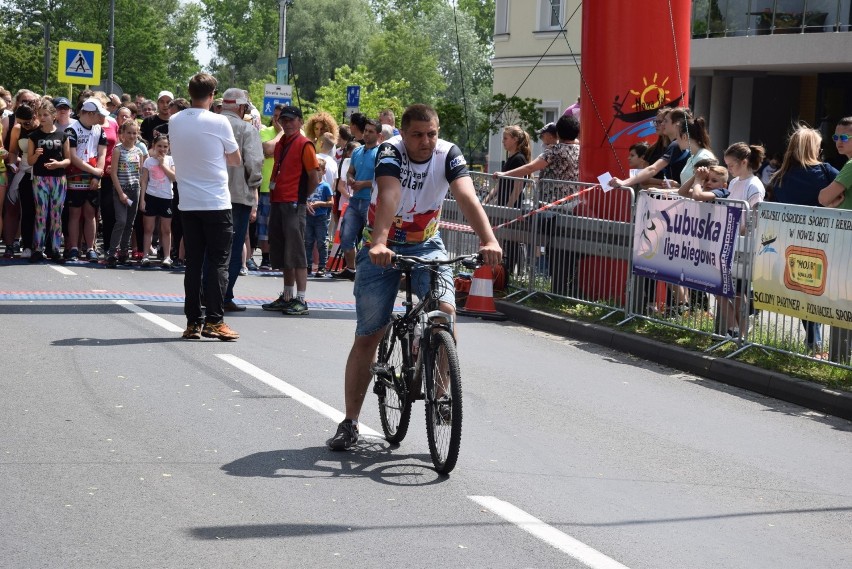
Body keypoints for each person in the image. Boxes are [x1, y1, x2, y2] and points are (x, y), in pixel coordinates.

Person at [327, 103, 502, 451]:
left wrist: (489, 239)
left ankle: (440, 395)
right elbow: (390, 194)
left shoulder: (448, 153)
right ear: (403, 134)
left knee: (444, 315)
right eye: (418, 135)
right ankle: (350, 422)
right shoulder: (390, 152)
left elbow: (466, 196)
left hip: (427, 243)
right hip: (384, 242)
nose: (426, 141)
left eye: (432, 134)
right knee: (369, 334)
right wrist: (377, 241)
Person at [168, 73, 242, 341]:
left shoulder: (174, 121)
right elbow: (235, 159)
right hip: (216, 202)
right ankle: (215, 320)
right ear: (212, 96)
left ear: (189, 93)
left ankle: (192, 323)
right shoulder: (219, 121)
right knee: (218, 262)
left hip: (187, 202)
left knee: (193, 263)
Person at [768, 126, 838, 358]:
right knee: (823, 293)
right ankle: (822, 347)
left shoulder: (780, 176)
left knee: (805, 292)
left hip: (790, 242)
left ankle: (813, 342)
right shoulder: (825, 171)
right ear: (813, 147)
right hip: (825, 241)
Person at [494, 114, 581, 296]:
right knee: (565, 250)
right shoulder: (581, 149)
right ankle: (563, 289)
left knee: (543, 244)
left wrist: (505, 174)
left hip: (549, 206)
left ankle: (544, 285)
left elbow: (530, 168)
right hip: (572, 205)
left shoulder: (553, 151)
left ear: (558, 132)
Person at [260, 105, 321, 316]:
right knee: (284, 250)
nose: (287, 123)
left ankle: (301, 300)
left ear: (300, 122)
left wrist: (303, 197)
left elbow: (314, 177)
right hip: (278, 200)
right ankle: (287, 296)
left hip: (294, 203)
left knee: (296, 253)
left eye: (291, 120)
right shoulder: (282, 143)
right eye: (284, 120)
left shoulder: (305, 144)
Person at [220, 87, 263, 312]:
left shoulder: (210, 124)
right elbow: (254, 163)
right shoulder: (247, 129)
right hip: (237, 196)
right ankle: (225, 295)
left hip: (208, 196)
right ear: (240, 106)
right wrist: (253, 184)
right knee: (233, 248)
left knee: (210, 246)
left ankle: (204, 292)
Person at [720, 142, 766, 337]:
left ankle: (743, 333)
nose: (728, 169)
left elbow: (755, 217)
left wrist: (738, 230)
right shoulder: (733, 182)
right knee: (723, 287)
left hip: (744, 244)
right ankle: (734, 329)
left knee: (739, 290)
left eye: (731, 165)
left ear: (744, 162)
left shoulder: (754, 185)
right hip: (730, 240)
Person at [482, 125, 532, 277]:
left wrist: (508, 207)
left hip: (512, 206)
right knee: (504, 238)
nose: (503, 141)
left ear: (515, 140)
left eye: (505, 138)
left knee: (512, 241)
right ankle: (503, 272)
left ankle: (509, 273)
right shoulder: (510, 158)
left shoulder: (519, 159)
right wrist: (486, 199)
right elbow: (500, 185)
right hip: (504, 205)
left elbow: (518, 184)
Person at [334, 118, 381, 280]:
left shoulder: (380, 153)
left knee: (370, 238)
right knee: (346, 236)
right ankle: (352, 269)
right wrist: (351, 178)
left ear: (379, 135)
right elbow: (350, 171)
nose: (367, 134)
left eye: (371, 132)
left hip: (370, 202)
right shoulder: (357, 151)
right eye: (366, 131)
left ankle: (368, 271)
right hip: (355, 201)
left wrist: (364, 184)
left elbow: (382, 179)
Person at [65, 98, 108, 262]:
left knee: (91, 213)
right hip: (75, 175)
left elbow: (102, 153)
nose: (101, 118)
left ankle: (90, 247)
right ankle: (74, 248)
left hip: (94, 176)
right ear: (90, 113)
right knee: (75, 213)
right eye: (98, 115)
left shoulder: (99, 129)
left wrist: (97, 175)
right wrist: (94, 171)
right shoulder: (72, 129)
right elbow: (73, 157)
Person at [27, 101, 70, 263]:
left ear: (54, 116)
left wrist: (58, 164)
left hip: (59, 179)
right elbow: (30, 161)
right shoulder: (34, 136)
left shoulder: (62, 135)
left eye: (45, 115)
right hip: (40, 178)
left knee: (56, 214)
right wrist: (36, 155)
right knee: (41, 213)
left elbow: (68, 160)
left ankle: (55, 249)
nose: (42, 118)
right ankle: (37, 248)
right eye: (40, 115)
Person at [106, 120, 145, 268]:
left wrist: (140, 194)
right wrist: (121, 193)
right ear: (123, 134)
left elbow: (140, 174)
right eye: (129, 132)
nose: (131, 135)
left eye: (134, 133)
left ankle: (124, 252)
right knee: (121, 221)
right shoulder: (118, 150)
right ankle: (112, 253)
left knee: (130, 223)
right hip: (121, 189)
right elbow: (113, 173)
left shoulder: (139, 152)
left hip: (134, 189)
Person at [138, 134, 176, 269]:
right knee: (148, 228)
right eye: (159, 146)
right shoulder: (148, 161)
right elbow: (144, 180)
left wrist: (162, 164)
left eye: (165, 146)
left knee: (166, 229)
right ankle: (145, 256)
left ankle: (167, 256)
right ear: (154, 146)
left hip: (166, 198)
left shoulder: (171, 160)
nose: (162, 149)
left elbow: (173, 177)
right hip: (151, 196)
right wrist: (142, 199)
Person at [258, 104, 286, 270]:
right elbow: (268, 150)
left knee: (283, 226)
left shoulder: (298, 134)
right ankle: (266, 258)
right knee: (265, 225)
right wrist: (281, 133)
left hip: (287, 189)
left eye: (280, 116)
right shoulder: (265, 132)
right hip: (267, 187)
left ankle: (282, 257)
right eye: (275, 115)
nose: (277, 119)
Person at [304, 159, 334, 276]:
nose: (316, 172)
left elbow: (331, 202)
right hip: (308, 216)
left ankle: (322, 266)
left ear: (323, 171)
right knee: (308, 241)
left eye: (318, 170)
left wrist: (319, 203)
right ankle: (308, 265)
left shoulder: (325, 186)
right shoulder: (308, 184)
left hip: (320, 217)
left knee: (321, 241)